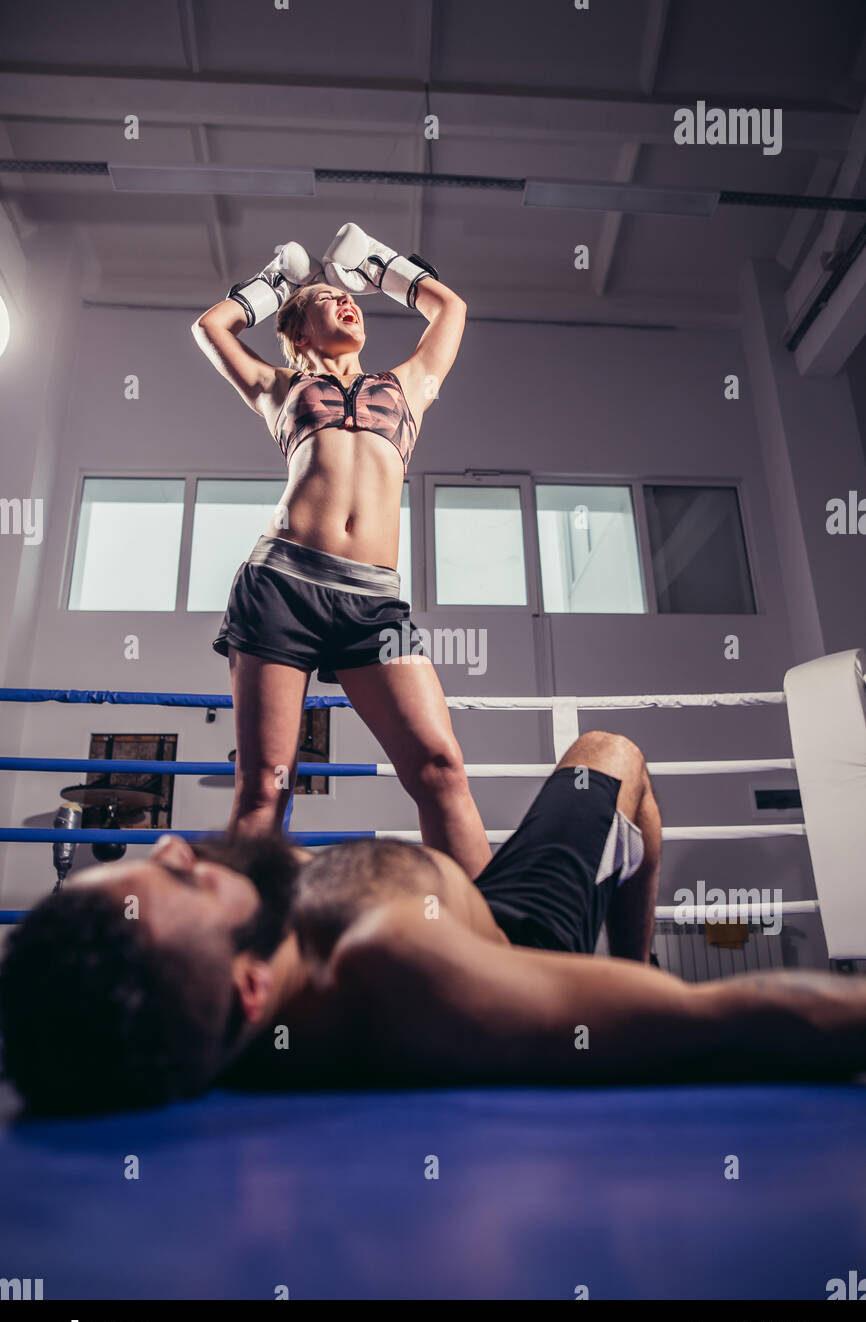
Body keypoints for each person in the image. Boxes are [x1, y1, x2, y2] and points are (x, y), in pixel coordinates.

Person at [2, 731, 864, 1117]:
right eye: (179, 883)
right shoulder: (395, 964)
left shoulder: (205, 982)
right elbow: (726, 1023)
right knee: (613, 755)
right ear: (251, 989)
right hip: (519, 929)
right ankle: (630, 970)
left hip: (452, 886)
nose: (170, 847)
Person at [191, 223, 490, 877]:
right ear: (300, 334)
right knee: (264, 792)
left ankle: (496, 947)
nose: (347, 301)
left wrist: (382, 268)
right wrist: (273, 284)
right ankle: (244, 959)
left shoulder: (408, 385)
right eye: (328, 300)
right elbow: (211, 329)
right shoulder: (279, 389)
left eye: (350, 296)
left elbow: (451, 308)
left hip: (374, 604)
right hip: (281, 588)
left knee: (441, 769)